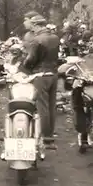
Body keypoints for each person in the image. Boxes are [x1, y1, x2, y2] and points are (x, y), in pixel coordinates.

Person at [22, 14, 60, 146]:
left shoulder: (37, 40)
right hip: (53, 74)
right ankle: (50, 135)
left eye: (33, 26)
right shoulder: (55, 38)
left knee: (42, 106)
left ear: (37, 25)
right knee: (51, 105)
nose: (32, 29)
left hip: (40, 75)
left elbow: (31, 59)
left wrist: (24, 68)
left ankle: (44, 136)